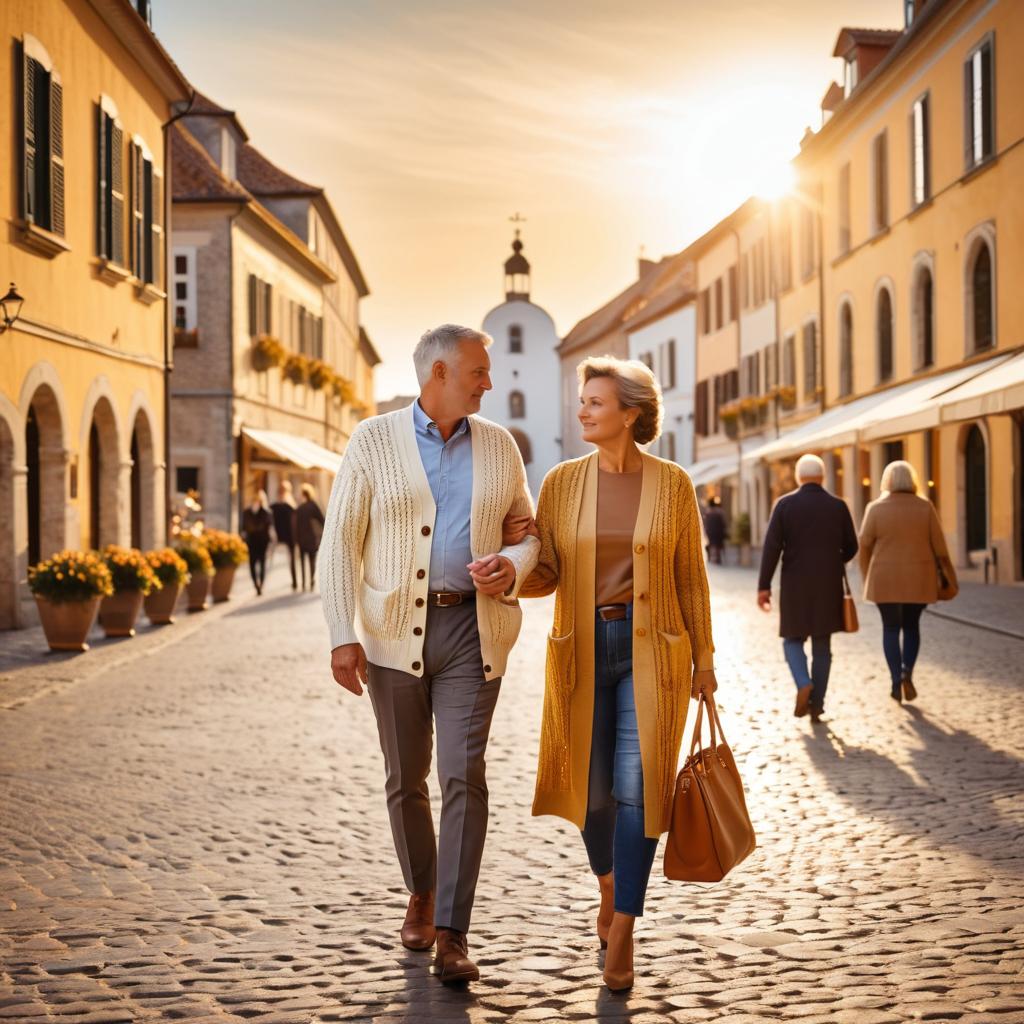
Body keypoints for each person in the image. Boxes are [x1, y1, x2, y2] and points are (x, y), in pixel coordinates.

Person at [317, 324, 539, 986]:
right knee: (405, 777)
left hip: (474, 632)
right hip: (391, 636)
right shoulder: (373, 441)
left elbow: (527, 533)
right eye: (478, 371)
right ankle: (420, 889)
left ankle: (452, 931)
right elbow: (340, 543)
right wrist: (340, 631)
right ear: (438, 373)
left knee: (464, 775)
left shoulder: (500, 446)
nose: (489, 383)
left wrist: (513, 565)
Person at [507, 356, 717, 992]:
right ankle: (610, 883)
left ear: (630, 412)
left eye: (595, 402)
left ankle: (623, 925)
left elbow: (690, 577)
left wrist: (704, 659)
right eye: (582, 401)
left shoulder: (673, 484)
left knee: (638, 788)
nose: (583, 411)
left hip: (656, 652)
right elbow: (547, 576)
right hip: (581, 647)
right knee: (590, 791)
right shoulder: (562, 483)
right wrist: (515, 561)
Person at [757, 453, 858, 722]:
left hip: (794, 584)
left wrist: (763, 586)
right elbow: (852, 546)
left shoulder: (785, 505)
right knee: (822, 645)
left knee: (792, 639)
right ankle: (817, 706)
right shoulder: (838, 506)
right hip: (828, 584)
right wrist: (834, 560)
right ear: (823, 477)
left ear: (800, 477)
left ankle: (803, 682)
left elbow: (772, 548)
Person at [858, 460, 957, 704]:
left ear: (887, 481)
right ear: (912, 480)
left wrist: (866, 576)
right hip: (918, 579)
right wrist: (949, 576)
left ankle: (894, 680)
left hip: (884, 578)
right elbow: (941, 549)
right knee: (912, 627)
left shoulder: (875, 508)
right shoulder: (925, 507)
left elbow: (864, 546)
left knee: (890, 629)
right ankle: (906, 673)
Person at [241, 489, 273, 596]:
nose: (256, 502)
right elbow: (245, 526)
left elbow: (267, 526)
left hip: (262, 542)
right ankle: (256, 584)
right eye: (255, 500)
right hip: (251, 542)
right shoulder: (247, 512)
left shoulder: (266, 512)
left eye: (259, 500)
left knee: (262, 563)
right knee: (252, 564)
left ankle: (261, 584)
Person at [295, 484, 325, 591]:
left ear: (303, 495)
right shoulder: (313, 506)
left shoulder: (299, 508)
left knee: (303, 561)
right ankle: (311, 581)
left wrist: (296, 539)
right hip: (312, 537)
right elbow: (322, 520)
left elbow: (295, 525)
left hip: (302, 538)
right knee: (312, 560)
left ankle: (303, 584)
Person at [270, 481, 298, 590]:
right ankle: (294, 581)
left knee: (292, 560)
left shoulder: (289, 505)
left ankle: (295, 581)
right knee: (290, 560)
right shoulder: (283, 506)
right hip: (283, 535)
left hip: (288, 535)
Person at [703, 496, 727, 564]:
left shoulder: (708, 512)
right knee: (717, 545)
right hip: (718, 531)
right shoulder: (720, 512)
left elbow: (706, 523)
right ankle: (716, 558)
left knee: (712, 544)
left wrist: (706, 531)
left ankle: (713, 558)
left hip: (711, 531)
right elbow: (723, 523)